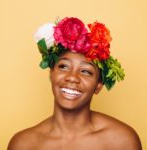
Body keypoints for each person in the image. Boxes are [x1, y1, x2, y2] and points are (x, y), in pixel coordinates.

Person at [8, 17, 142, 150]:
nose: (72, 77)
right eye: (64, 67)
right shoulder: (23, 144)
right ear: (51, 73)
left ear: (98, 85)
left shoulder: (122, 141)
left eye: (86, 71)